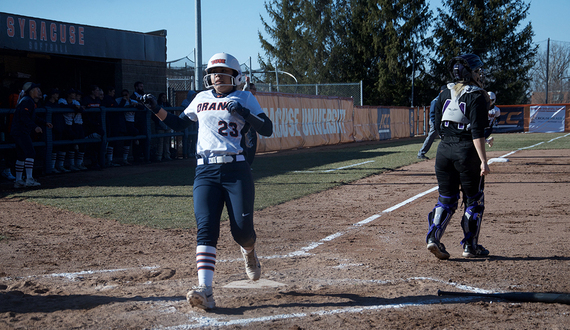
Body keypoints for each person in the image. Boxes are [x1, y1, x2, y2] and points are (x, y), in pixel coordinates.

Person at [142, 52, 273, 310]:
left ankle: (249, 251)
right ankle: (206, 290)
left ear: (235, 76)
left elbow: (266, 128)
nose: (217, 76)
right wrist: (156, 109)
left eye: (223, 72)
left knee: (242, 230)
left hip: (236, 170)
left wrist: (245, 113)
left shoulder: (244, 96)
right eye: (214, 72)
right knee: (206, 228)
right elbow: (179, 124)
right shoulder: (200, 98)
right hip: (205, 171)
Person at [425, 54, 491, 260]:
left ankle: (433, 237)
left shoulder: (444, 92)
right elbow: (477, 133)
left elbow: (437, 125)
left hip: (443, 151)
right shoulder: (478, 95)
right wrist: (484, 161)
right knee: (474, 201)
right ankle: (470, 246)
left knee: (446, 199)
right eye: (477, 70)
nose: (479, 74)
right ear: (469, 73)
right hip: (466, 153)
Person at [10, 82, 53, 188]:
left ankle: (18, 180)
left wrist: (43, 123)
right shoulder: (27, 101)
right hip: (21, 131)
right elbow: (24, 117)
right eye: (37, 89)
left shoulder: (27, 101)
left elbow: (31, 116)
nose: (39, 92)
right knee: (30, 153)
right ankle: (29, 179)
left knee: (21, 156)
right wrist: (35, 127)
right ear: (31, 91)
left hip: (18, 131)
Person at [417, 86, 445, 160]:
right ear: (441, 92)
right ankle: (421, 153)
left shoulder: (444, 99)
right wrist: (435, 123)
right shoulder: (435, 100)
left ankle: (446, 154)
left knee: (444, 136)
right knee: (431, 137)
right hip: (435, 122)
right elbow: (432, 113)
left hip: (441, 121)